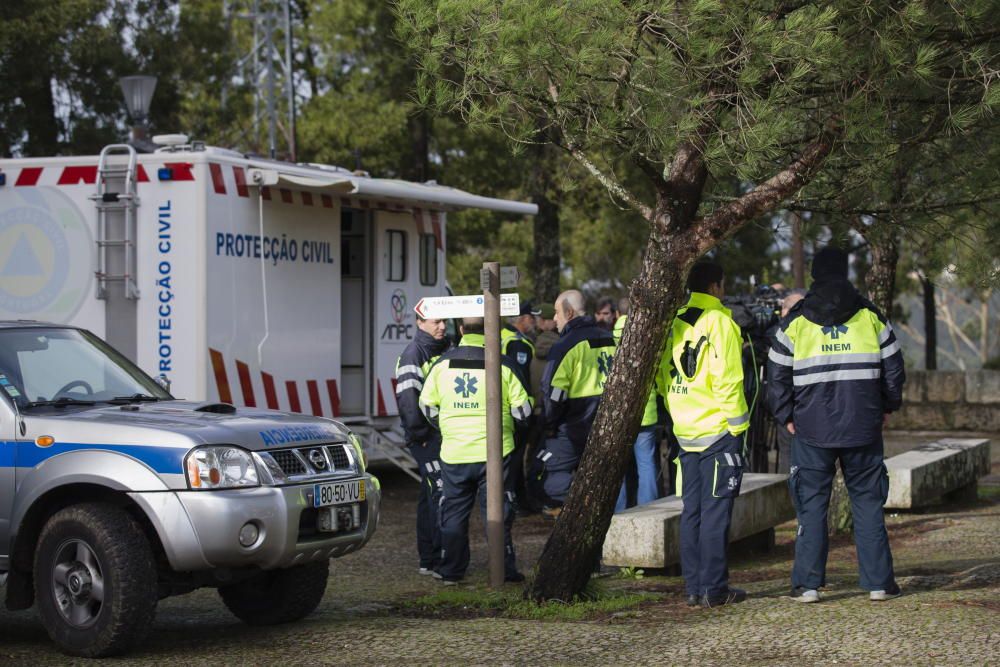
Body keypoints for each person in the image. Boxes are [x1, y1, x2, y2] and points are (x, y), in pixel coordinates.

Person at [767, 247, 905, 603]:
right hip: (862, 426)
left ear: (814, 274)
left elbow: (776, 374)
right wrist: (886, 407)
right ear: (845, 272)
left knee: (812, 505)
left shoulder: (796, 320)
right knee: (868, 503)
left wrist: (786, 416)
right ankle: (879, 584)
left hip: (811, 430)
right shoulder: (870, 316)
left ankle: (808, 585)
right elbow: (894, 368)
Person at [658, 261, 750, 607]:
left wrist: (677, 410)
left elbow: (661, 375)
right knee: (715, 513)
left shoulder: (674, 321)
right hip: (716, 430)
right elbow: (728, 381)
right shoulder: (720, 323)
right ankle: (715, 589)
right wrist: (738, 425)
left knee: (691, 511)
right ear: (715, 286)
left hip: (685, 430)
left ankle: (694, 588)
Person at [418, 317, 533, 584]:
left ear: (460, 330)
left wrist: (447, 427)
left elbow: (426, 406)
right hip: (495, 452)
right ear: (490, 329)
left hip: (455, 452)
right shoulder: (504, 363)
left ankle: (452, 571)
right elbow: (523, 410)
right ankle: (503, 569)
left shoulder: (441, 365)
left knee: (454, 512)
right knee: (497, 512)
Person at [535, 290, 615, 517]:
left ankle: (573, 517)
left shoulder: (565, 346)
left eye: (558, 313)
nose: (555, 319)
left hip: (571, 428)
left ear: (569, 312)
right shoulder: (609, 338)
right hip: (605, 426)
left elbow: (553, 394)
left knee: (546, 477)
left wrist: (547, 424)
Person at [394, 314, 451, 575]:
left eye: (444, 322)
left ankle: (427, 558)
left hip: (439, 434)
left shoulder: (445, 347)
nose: (441, 327)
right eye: (435, 322)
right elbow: (408, 401)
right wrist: (422, 434)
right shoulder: (413, 355)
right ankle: (439, 559)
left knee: (429, 495)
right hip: (426, 437)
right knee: (440, 493)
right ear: (419, 323)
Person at [612, 298, 660, 511]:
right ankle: (648, 510)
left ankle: (619, 511)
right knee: (647, 464)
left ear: (616, 314)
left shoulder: (609, 337)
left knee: (617, 467)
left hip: (618, 411)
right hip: (646, 409)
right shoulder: (648, 333)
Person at [773, 289, 806, 474]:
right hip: (809, 405)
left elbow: (776, 376)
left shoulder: (781, 333)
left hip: (794, 407)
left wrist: (783, 413)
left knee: (789, 455)